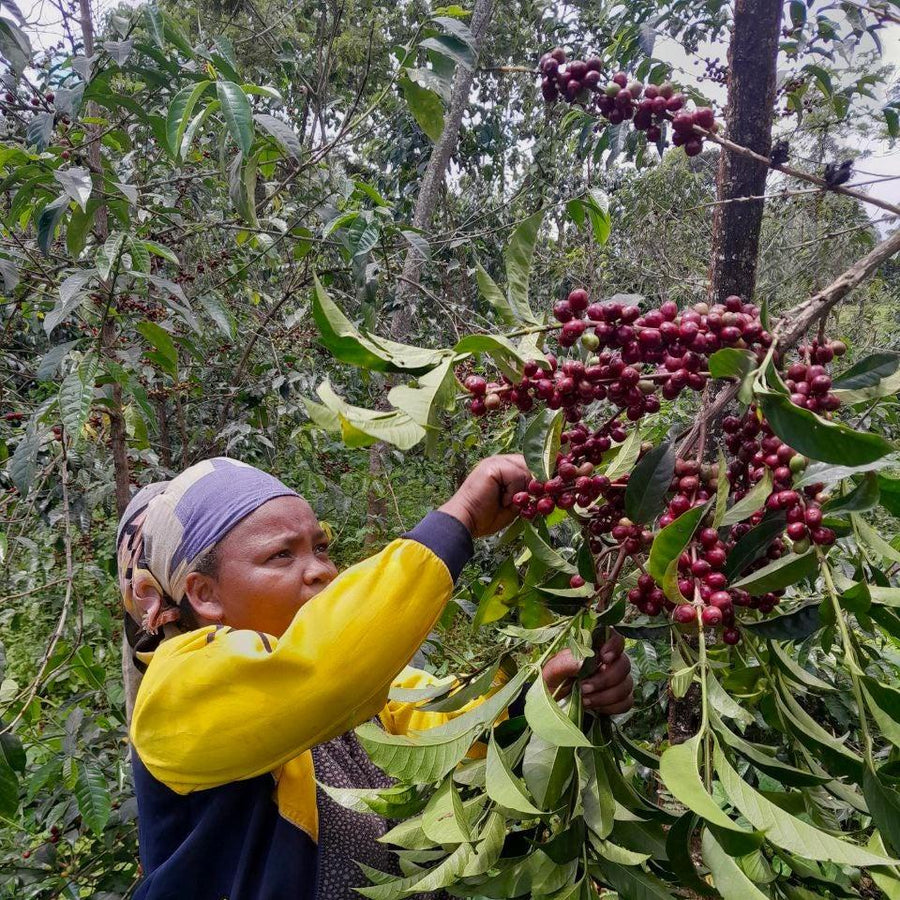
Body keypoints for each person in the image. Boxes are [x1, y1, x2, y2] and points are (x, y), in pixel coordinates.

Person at [117, 455, 634, 900]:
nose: (322, 570)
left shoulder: (367, 689)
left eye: (320, 548)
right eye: (281, 555)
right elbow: (321, 669)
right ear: (203, 595)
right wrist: (460, 521)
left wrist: (548, 689)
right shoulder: (177, 695)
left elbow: (447, 728)